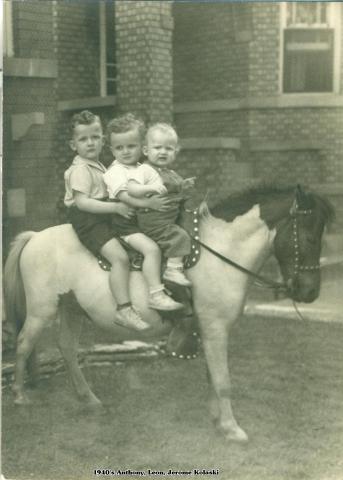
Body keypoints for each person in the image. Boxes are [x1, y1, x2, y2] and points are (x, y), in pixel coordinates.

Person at [64, 110, 150, 331]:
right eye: (83, 139)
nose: (90, 143)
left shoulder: (101, 166)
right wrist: (117, 207)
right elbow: (83, 203)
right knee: (119, 258)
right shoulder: (80, 169)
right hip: (88, 221)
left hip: (102, 216)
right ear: (73, 145)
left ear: (103, 140)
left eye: (95, 137)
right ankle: (124, 309)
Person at [103, 114, 183, 310]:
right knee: (152, 250)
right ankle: (156, 294)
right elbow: (125, 197)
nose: (126, 152)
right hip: (126, 226)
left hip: (140, 221)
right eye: (119, 148)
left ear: (141, 147)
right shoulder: (116, 171)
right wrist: (150, 204)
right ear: (111, 149)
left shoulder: (142, 168)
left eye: (131, 146)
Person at [126, 123, 195, 287]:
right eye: (157, 148)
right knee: (180, 236)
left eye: (168, 149)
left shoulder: (171, 174)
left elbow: (174, 189)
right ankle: (173, 269)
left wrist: (184, 185)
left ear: (175, 152)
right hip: (154, 221)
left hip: (168, 218)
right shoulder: (144, 170)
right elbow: (131, 188)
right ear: (145, 150)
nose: (163, 152)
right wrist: (149, 189)